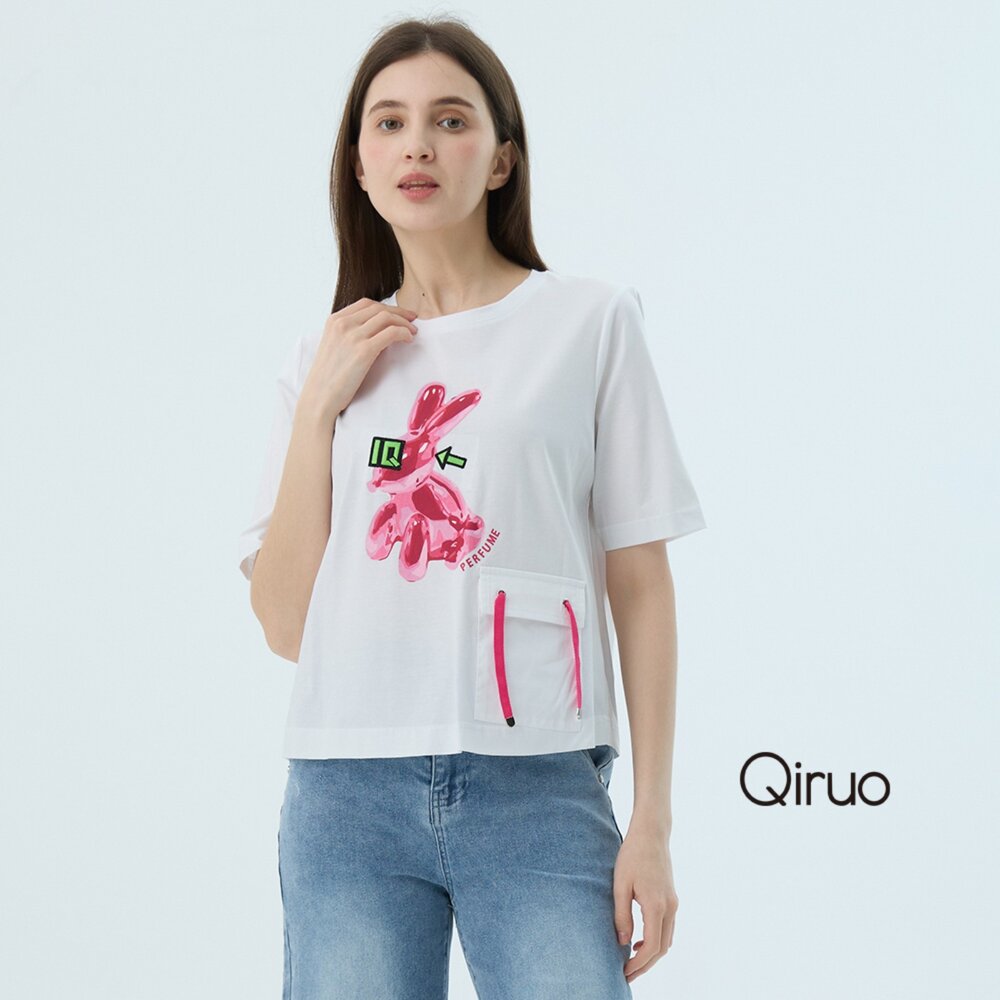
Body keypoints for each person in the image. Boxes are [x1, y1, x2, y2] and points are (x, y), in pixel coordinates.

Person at [237, 15, 706, 1000]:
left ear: (500, 160)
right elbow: (284, 626)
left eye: (450, 120)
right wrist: (321, 409)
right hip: (346, 793)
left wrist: (653, 824)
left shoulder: (587, 323)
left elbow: (640, 581)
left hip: (535, 783)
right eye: (389, 123)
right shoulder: (319, 360)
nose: (417, 144)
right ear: (359, 164)